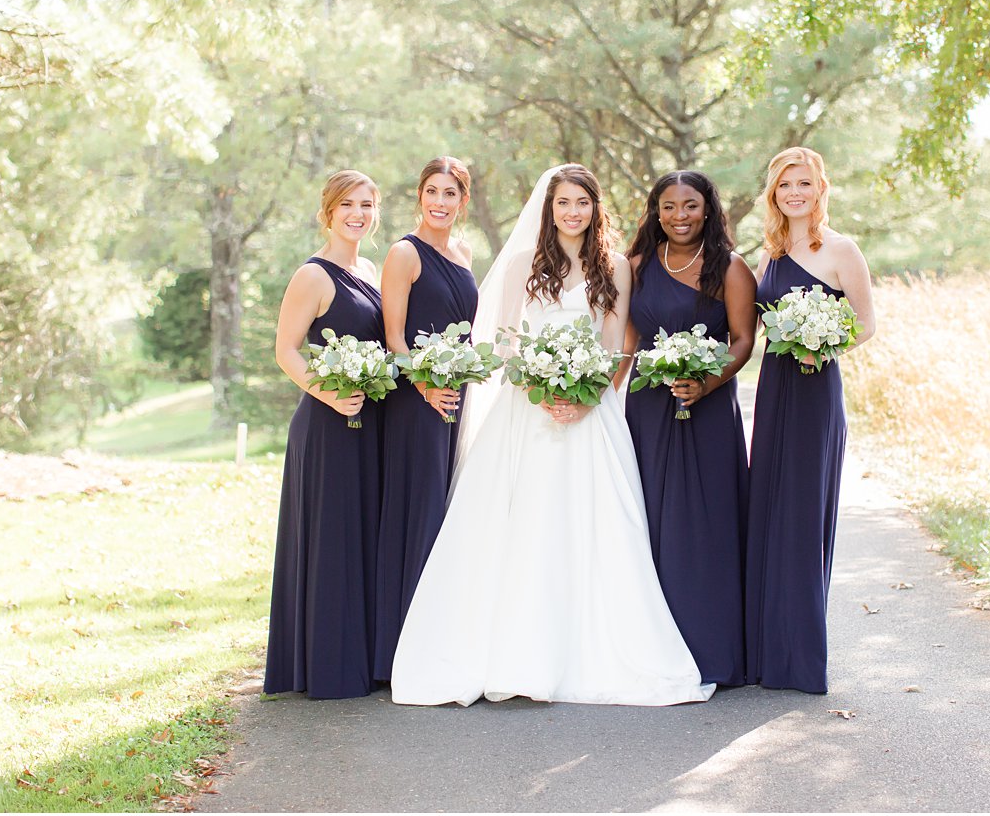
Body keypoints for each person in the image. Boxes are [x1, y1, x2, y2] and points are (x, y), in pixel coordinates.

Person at [389, 164, 714, 707]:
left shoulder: (614, 266)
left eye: (581, 203)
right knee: (520, 524)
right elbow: (508, 342)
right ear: (550, 208)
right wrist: (543, 392)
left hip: (591, 415)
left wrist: (584, 399)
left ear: (595, 208)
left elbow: (616, 347)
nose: (572, 212)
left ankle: (587, 650)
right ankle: (512, 654)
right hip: (528, 412)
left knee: (597, 526)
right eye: (563, 203)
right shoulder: (522, 265)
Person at [745, 146, 876, 693]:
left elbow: (866, 324)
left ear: (821, 188)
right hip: (774, 390)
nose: (794, 193)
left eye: (803, 183)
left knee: (801, 517)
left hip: (815, 390)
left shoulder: (842, 249)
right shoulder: (770, 254)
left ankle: (798, 661)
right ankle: (763, 653)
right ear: (774, 194)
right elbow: (749, 322)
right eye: (784, 185)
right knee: (768, 512)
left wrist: (822, 346)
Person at [619, 171, 755, 687]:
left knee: (706, 522)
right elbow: (628, 341)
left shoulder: (731, 268)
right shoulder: (636, 266)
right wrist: (603, 403)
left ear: (708, 209)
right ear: (655, 211)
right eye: (669, 206)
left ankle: (712, 650)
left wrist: (706, 382)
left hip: (709, 410)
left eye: (691, 206)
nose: (680, 216)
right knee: (649, 519)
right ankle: (652, 649)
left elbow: (743, 341)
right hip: (648, 408)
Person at [264, 170, 386, 699]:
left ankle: (365, 658)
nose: (358, 214)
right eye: (348, 206)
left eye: (367, 205)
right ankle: (327, 668)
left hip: (373, 422)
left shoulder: (375, 270)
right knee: (331, 539)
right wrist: (329, 394)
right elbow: (286, 350)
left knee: (365, 536)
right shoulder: (312, 276)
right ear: (328, 212)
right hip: (327, 423)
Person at [374, 156, 479, 682]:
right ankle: (399, 649)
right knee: (418, 508)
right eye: (432, 191)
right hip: (417, 402)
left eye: (451, 193)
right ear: (419, 195)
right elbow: (394, 337)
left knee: (446, 508)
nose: (440, 202)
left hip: (456, 397)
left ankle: (437, 637)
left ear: (463, 200)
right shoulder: (404, 253)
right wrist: (424, 385)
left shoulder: (461, 252)